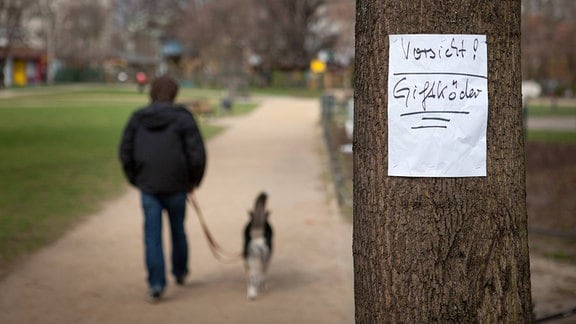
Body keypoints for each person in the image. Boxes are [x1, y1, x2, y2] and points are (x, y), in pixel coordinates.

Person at [119, 75, 206, 302]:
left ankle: (156, 284)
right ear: (175, 94)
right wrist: (193, 181)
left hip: (149, 185)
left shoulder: (138, 118)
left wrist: (135, 179)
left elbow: (125, 152)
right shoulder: (183, 118)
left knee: (152, 236)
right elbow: (196, 154)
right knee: (178, 230)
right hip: (176, 185)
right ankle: (180, 271)